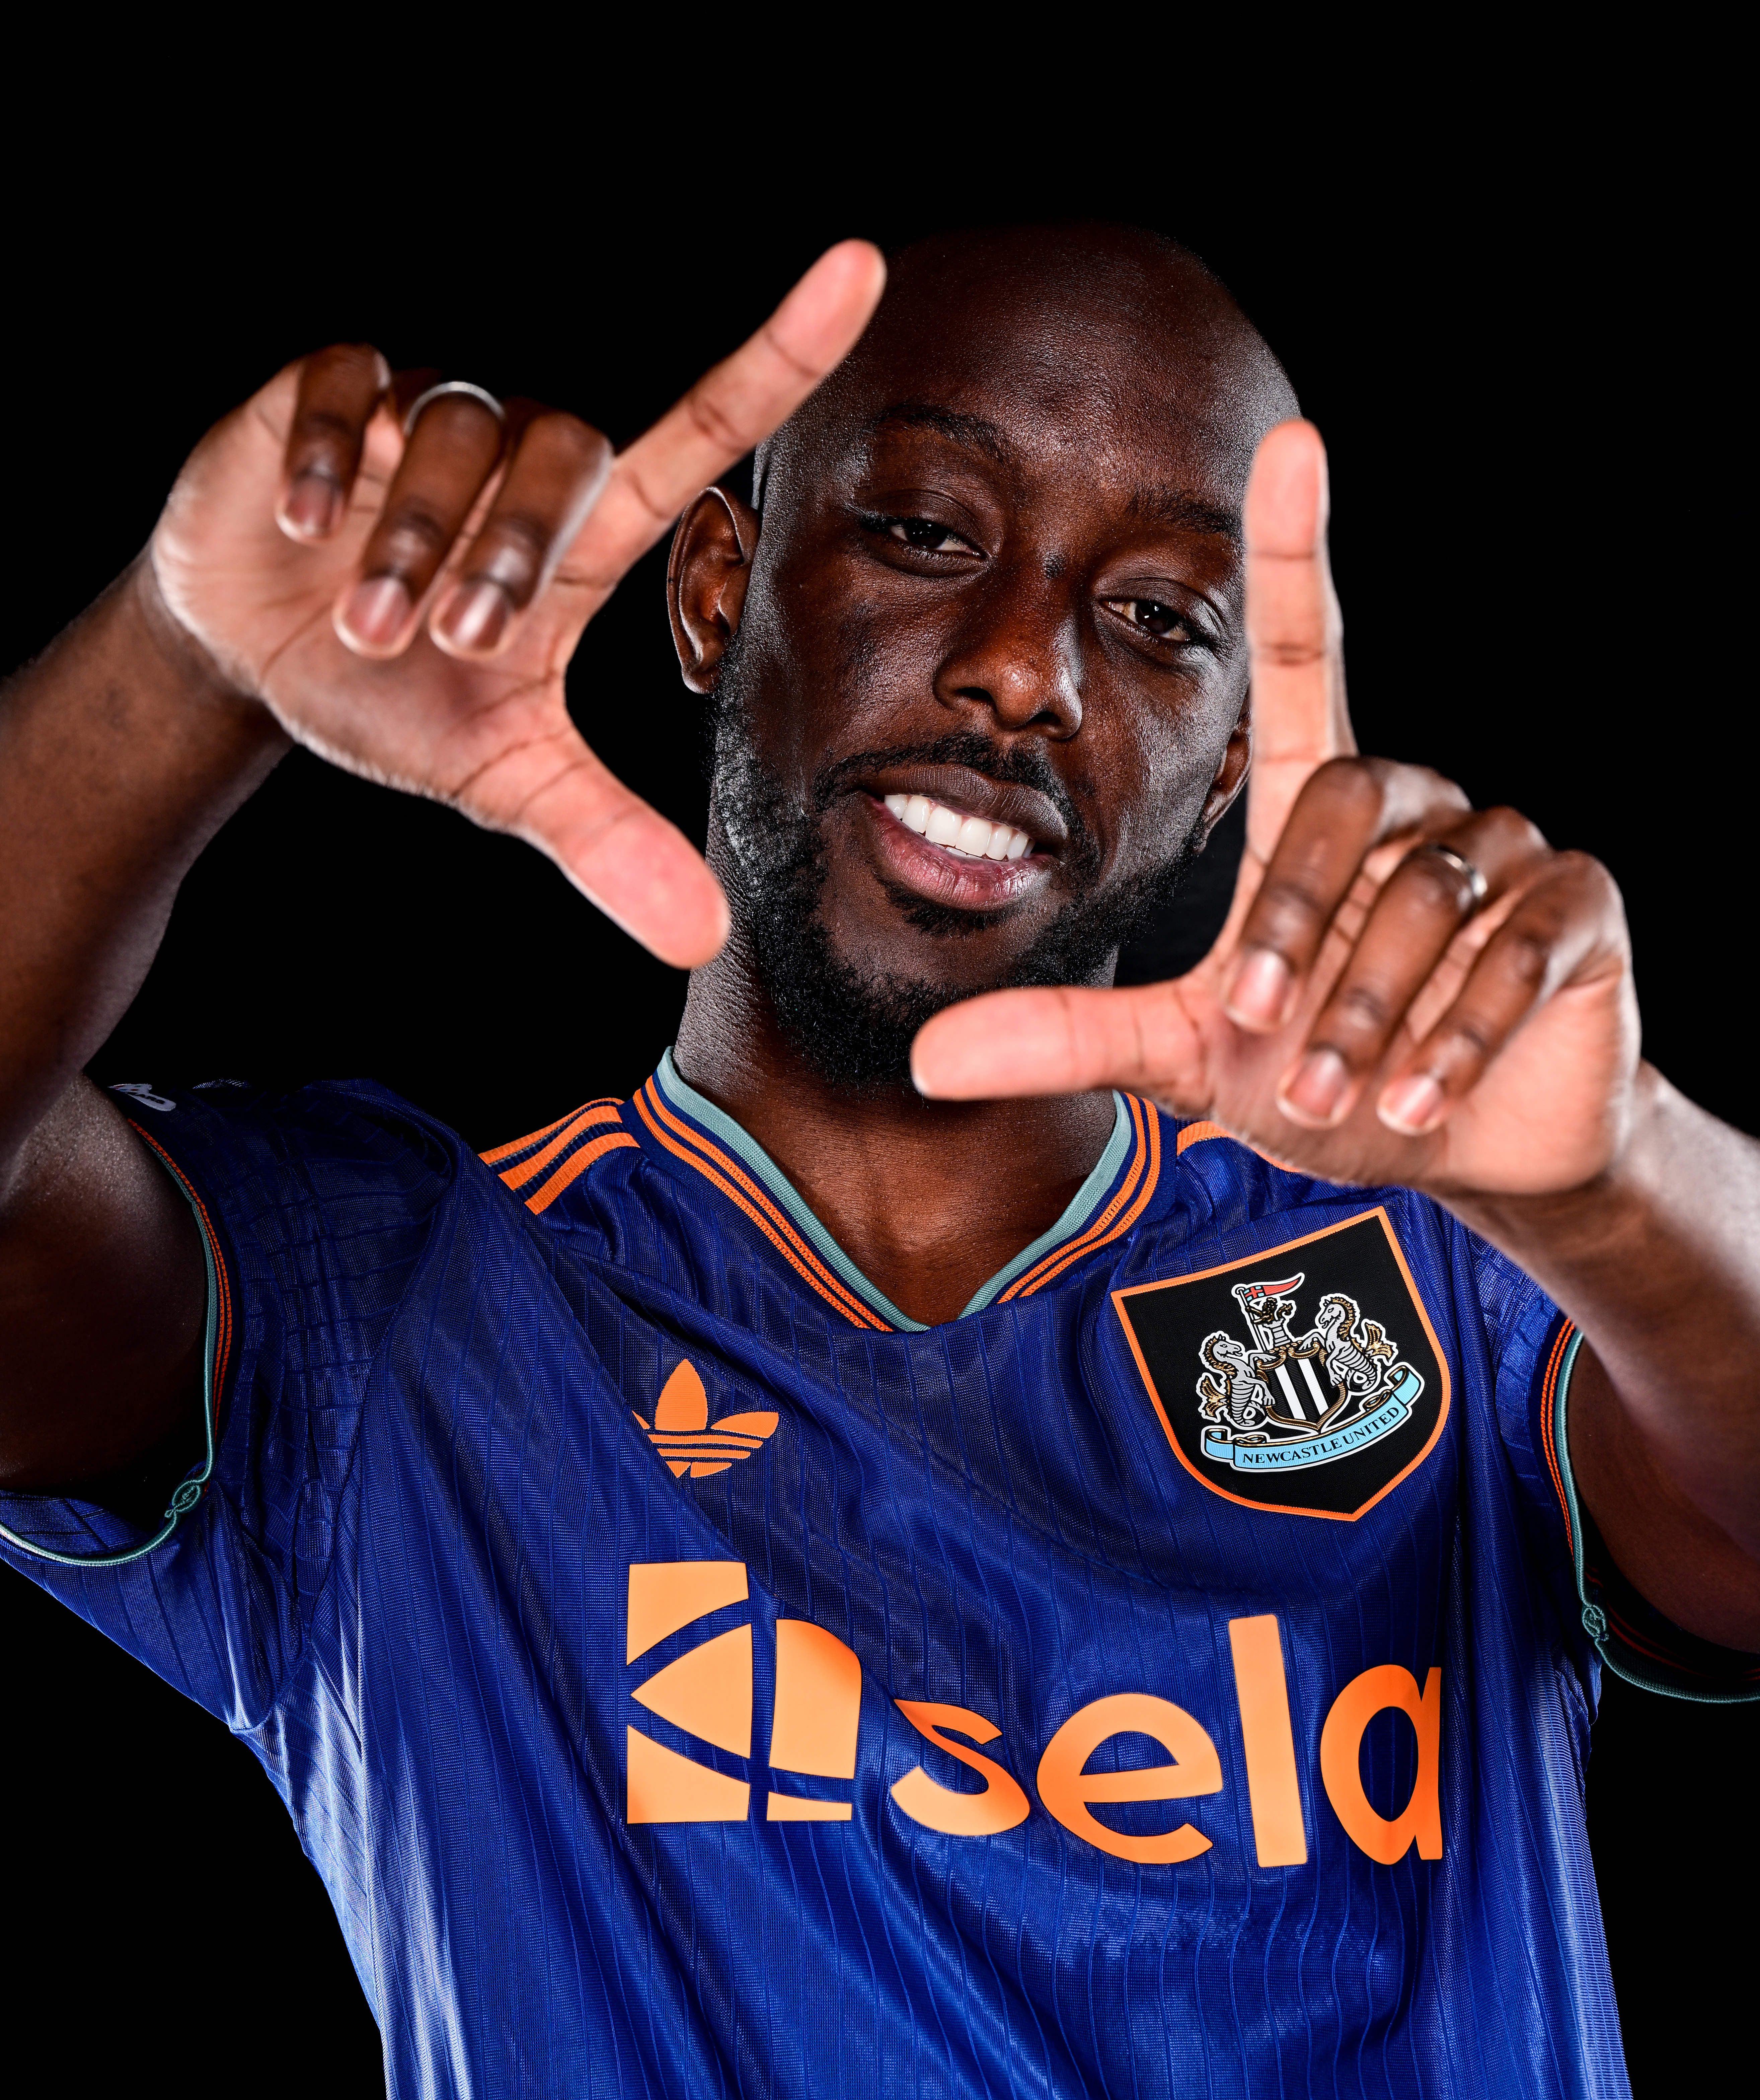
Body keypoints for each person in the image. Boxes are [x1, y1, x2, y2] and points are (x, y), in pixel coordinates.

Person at [0, 222, 1754, 2098]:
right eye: (927, 535)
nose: (1023, 671)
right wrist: (176, 668)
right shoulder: (398, 1323)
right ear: (717, 593)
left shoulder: (1448, 1273)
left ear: (1233, 758)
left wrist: (1613, 1175)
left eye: (1158, 619)